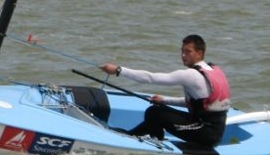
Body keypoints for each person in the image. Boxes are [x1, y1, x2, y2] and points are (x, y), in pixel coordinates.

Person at [99, 34, 231, 148]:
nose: (183, 55)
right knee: (158, 110)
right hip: (213, 131)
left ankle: (157, 144)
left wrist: (119, 70)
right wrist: (165, 100)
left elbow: (150, 78)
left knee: (154, 112)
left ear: (200, 53)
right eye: (182, 51)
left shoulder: (190, 75)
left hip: (206, 133)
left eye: (188, 52)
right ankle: (131, 134)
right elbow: (197, 103)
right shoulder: (212, 70)